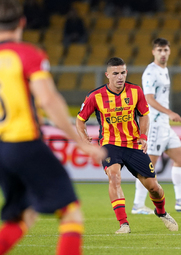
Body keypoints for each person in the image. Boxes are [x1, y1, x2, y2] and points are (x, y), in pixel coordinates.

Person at [0, 1, 106, 254]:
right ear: (22, 23)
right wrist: (80, 142)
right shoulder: (28, 54)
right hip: (24, 143)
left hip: (2, 150)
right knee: (71, 212)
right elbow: (48, 100)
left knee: (22, 216)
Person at [76, 57, 178, 234]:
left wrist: (143, 136)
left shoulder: (136, 91)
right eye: (115, 73)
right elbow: (80, 120)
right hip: (110, 144)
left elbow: (144, 115)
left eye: (122, 72)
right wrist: (84, 137)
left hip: (132, 144)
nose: (120, 77)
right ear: (108, 75)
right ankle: (124, 224)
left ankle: (161, 212)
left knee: (153, 187)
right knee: (114, 177)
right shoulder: (96, 96)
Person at [131, 38, 181, 215]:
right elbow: (148, 98)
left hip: (164, 124)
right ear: (153, 52)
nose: (163, 53)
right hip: (155, 123)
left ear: (169, 51)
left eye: (165, 50)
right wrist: (169, 112)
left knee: (180, 157)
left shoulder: (164, 70)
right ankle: (138, 204)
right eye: (159, 50)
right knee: (149, 165)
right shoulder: (151, 72)